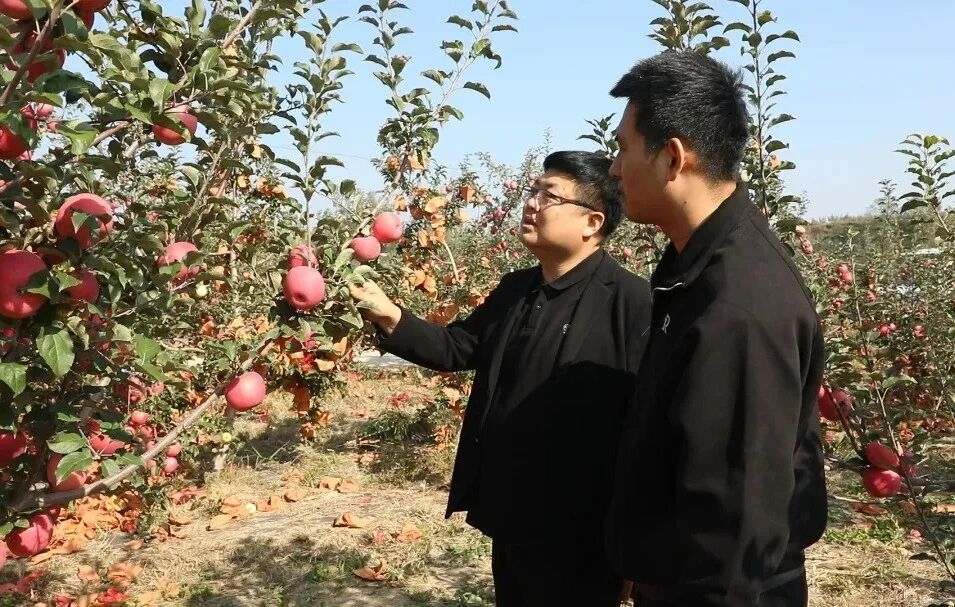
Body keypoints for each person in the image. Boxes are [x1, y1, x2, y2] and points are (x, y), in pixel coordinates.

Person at [349, 151, 650, 606]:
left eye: (549, 196)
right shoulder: (516, 290)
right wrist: (389, 315)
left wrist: (636, 543)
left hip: (581, 527)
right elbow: (458, 347)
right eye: (533, 190)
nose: (531, 203)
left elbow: (645, 428)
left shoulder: (631, 303)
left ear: (592, 222)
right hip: (510, 508)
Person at [603, 51, 828, 607]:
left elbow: (736, 518)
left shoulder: (739, 304)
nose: (613, 169)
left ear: (673, 157)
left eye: (623, 148)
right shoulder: (697, 267)